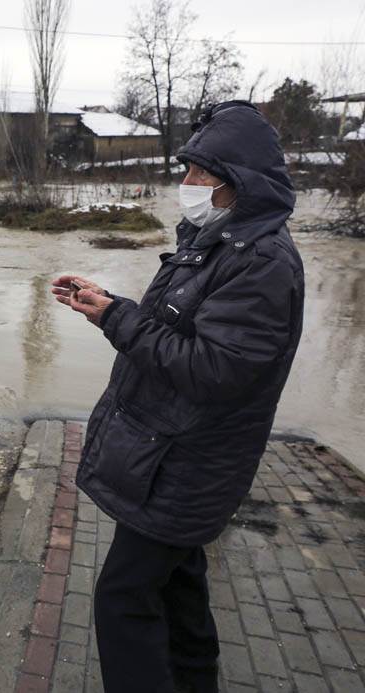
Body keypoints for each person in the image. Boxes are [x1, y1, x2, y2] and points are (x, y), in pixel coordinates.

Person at [51, 101, 305, 692]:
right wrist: (108, 304)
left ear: (235, 183)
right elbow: (176, 329)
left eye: (198, 174)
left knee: (123, 599)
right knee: (177, 586)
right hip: (170, 457)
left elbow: (214, 370)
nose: (185, 185)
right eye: (185, 171)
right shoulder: (213, 240)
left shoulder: (261, 262)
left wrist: (116, 318)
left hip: (187, 463)